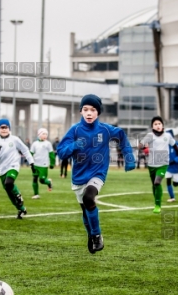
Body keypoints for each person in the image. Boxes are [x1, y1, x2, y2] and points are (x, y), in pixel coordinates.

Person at [57, 94, 136, 254]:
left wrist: (129, 158)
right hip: (79, 177)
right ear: (80, 111)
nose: (89, 113)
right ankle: (90, 234)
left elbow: (121, 136)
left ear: (98, 112)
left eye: (93, 110)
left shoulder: (105, 129)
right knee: (85, 210)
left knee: (89, 198)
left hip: (98, 173)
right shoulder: (75, 130)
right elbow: (61, 152)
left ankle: (96, 235)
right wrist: (74, 145)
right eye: (85, 109)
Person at [0, 118, 36, 219]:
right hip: (2, 170)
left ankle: (19, 195)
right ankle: (22, 209)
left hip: (13, 166)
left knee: (9, 183)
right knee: (9, 193)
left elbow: (25, 150)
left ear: (9, 129)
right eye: (1, 127)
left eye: (6, 127)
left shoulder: (14, 139)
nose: (4, 129)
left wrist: (31, 163)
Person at [138, 116, 178, 214]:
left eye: (159, 124)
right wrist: (143, 146)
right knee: (154, 185)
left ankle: (158, 205)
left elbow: (175, 146)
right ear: (152, 126)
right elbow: (140, 145)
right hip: (151, 164)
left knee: (157, 182)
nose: (158, 126)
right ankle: (156, 200)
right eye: (155, 124)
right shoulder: (150, 135)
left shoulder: (168, 136)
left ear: (162, 125)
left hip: (163, 164)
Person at [30, 128, 55, 199]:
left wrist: (52, 164)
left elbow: (51, 154)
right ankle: (36, 194)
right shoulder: (34, 144)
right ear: (39, 134)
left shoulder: (48, 144)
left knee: (42, 180)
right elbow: (31, 153)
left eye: (46, 134)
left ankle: (48, 182)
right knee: (34, 178)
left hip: (43, 165)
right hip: (35, 165)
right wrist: (29, 160)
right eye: (43, 134)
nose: (45, 135)